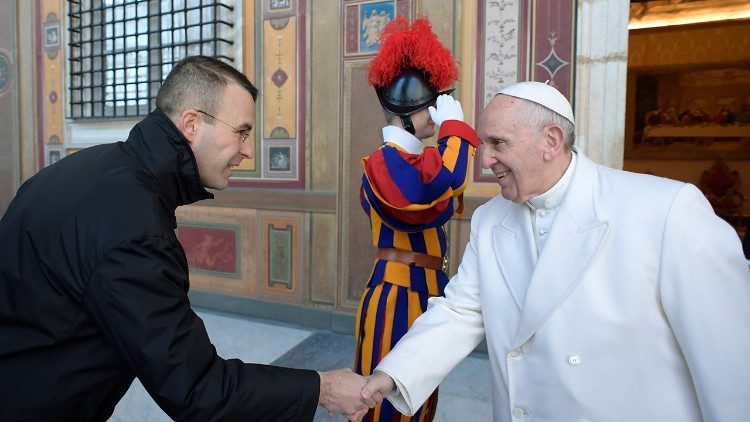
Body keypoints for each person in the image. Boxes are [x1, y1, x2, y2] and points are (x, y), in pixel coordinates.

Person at [0, 56, 367, 421]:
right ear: (191, 123)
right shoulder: (136, 232)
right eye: (242, 131)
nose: (249, 150)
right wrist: (323, 387)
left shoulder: (81, 170)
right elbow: (199, 390)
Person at [359, 81, 750, 421]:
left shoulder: (667, 210)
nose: (486, 157)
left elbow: (730, 365)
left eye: (498, 143)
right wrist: (391, 374)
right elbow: (461, 311)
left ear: (551, 141)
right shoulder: (490, 219)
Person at [355, 16, 479, 421]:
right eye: (437, 100)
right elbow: (432, 189)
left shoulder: (411, 162)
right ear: (415, 108)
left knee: (419, 401)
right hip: (396, 295)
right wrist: (455, 129)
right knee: (385, 407)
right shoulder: (383, 163)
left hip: (424, 291)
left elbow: (440, 191)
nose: (442, 108)